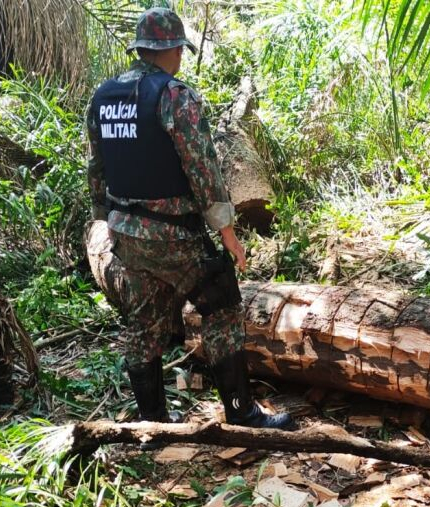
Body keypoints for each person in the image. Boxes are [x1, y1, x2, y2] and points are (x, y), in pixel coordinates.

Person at [86, 7, 294, 437]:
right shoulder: (175, 96)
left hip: (125, 232)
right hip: (173, 234)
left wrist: (104, 221)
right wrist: (229, 234)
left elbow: (96, 168)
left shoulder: (103, 96)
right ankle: (241, 413)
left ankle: (152, 422)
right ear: (173, 49)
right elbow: (203, 170)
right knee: (221, 305)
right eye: (180, 49)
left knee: (144, 322)